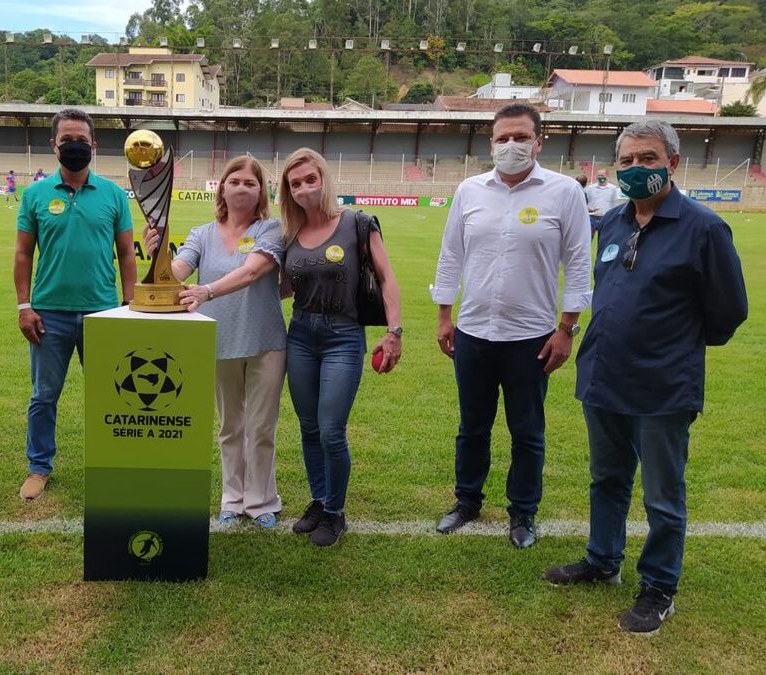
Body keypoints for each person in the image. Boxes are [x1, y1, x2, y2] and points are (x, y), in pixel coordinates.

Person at [544, 119, 747, 635]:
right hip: (604, 378)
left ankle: (658, 586)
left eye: (648, 159)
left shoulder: (704, 228)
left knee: (662, 495)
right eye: (628, 160)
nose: (636, 169)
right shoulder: (612, 223)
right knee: (607, 479)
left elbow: (728, 311)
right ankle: (603, 561)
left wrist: (671, 349)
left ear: (673, 164)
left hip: (663, 387)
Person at [430, 102, 591, 549]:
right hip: (474, 332)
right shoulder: (470, 191)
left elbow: (578, 262)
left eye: (521, 137)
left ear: (539, 141)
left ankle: (523, 513)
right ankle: (466, 502)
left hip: (532, 338)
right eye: (503, 138)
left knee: (527, 431)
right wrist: (445, 315)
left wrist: (567, 327)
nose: (512, 145)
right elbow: (451, 255)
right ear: (491, 143)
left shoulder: (563, 193)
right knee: (472, 427)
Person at [142, 156, 287, 528]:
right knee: (230, 427)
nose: (241, 187)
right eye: (234, 180)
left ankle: (261, 502)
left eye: (250, 183)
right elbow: (177, 272)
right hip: (219, 341)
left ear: (261, 192)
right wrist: (158, 256)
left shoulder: (272, 229)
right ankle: (232, 499)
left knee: (262, 427)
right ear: (221, 187)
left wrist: (207, 291)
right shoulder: (201, 233)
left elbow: (253, 271)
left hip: (265, 343)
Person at [278, 147, 403, 547]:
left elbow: (386, 278)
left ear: (324, 179)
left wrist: (394, 332)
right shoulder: (288, 233)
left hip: (342, 337)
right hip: (299, 335)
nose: (303, 189)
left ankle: (335, 511)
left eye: (309, 180)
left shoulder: (356, 223)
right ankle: (318, 500)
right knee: (309, 426)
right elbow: (280, 288)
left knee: (332, 429)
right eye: (295, 184)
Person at [14, 108, 137, 500]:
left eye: (82, 140)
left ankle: (112, 464)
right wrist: (23, 306)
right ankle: (38, 467)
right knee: (44, 395)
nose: (75, 146)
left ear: (94, 145)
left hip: (102, 312)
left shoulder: (115, 195)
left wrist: (130, 304)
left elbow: (127, 255)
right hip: (49, 313)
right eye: (67, 140)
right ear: (54, 145)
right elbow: (22, 254)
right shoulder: (34, 195)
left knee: (109, 395)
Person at [585, 168, 621, 235]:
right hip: (592, 217)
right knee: (588, 238)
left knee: (603, 239)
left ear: (607, 176)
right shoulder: (590, 188)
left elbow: (614, 203)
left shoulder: (613, 188)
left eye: (602, 175)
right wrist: (589, 208)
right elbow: (585, 202)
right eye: (599, 175)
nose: (600, 177)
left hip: (606, 218)